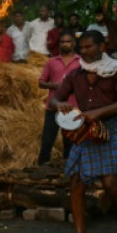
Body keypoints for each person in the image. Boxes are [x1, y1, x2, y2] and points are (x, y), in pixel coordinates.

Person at [51, 30, 117, 233]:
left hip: (113, 128)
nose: (85, 51)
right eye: (83, 48)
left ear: (102, 47)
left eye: (89, 47)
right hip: (85, 129)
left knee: (110, 182)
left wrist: (99, 113)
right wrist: (59, 104)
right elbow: (55, 98)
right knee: (77, 182)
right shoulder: (76, 74)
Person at [37, 30, 81, 164]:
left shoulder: (81, 62)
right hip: (53, 107)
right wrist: (55, 86)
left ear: (73, 43)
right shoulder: (51, 62)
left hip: (72, 108)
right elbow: (41, 82)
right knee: (47, 142)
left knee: (70, 143)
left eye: (68, 41)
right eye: (62, 42)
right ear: (59, 44)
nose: (65, 44)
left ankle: (67, 171)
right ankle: (41, 171)